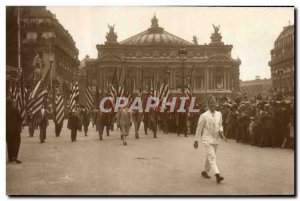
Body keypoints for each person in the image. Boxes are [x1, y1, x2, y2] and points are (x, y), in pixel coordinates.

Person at [193, 95, 224, 184]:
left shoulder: (219, 114)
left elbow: (220, 125)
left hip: (216, 139)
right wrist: (196, 140)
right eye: (210, 103)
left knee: (209, 156)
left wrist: (221, 131)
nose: (212, 105)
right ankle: (217, 175)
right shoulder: (204, 115)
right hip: (207, 139)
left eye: (214, 103)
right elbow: (199, 128)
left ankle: (204, 171)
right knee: (212, 156)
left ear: (216, 103)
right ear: (208, 104)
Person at [6, 99, 22, 164]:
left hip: (7, 130)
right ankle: (14, 157)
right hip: (15, 130)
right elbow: (20, 119)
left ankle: (10, 157)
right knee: (16, 143)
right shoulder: (15, 109)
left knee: (9, 144)